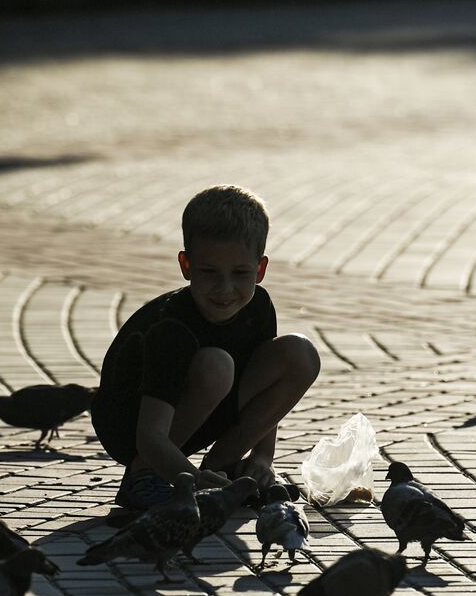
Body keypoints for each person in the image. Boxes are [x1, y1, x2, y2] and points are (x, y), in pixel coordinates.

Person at [91, 185, 321, 510]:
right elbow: (149, 436)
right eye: (209, 272)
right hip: (135, 428)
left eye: (240, 273)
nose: (225, 289)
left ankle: (222, 470)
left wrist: (263, 456)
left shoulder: (259, 306)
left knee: (300, 354)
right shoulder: (172, 327)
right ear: (186, 265)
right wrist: (192, 483)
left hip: (198, 407)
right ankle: (145, 477)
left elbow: (265, 386)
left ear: (260, 269)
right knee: (217, 366)